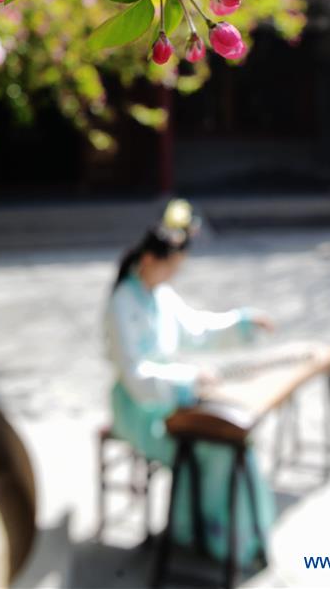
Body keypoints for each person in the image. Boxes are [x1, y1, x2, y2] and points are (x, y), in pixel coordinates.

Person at [104, 200, 276, 568]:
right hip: (140, 407)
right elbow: (136, 377)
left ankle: (213, 532)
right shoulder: (121, 303)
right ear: (149, 261)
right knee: (213, 448)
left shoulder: (159, 296)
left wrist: (243, 322)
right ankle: (205, 533)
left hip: (171, 395)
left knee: (230, 441)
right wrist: (188, 378)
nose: (172, 277)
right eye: (171, 268)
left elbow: (196, 328)